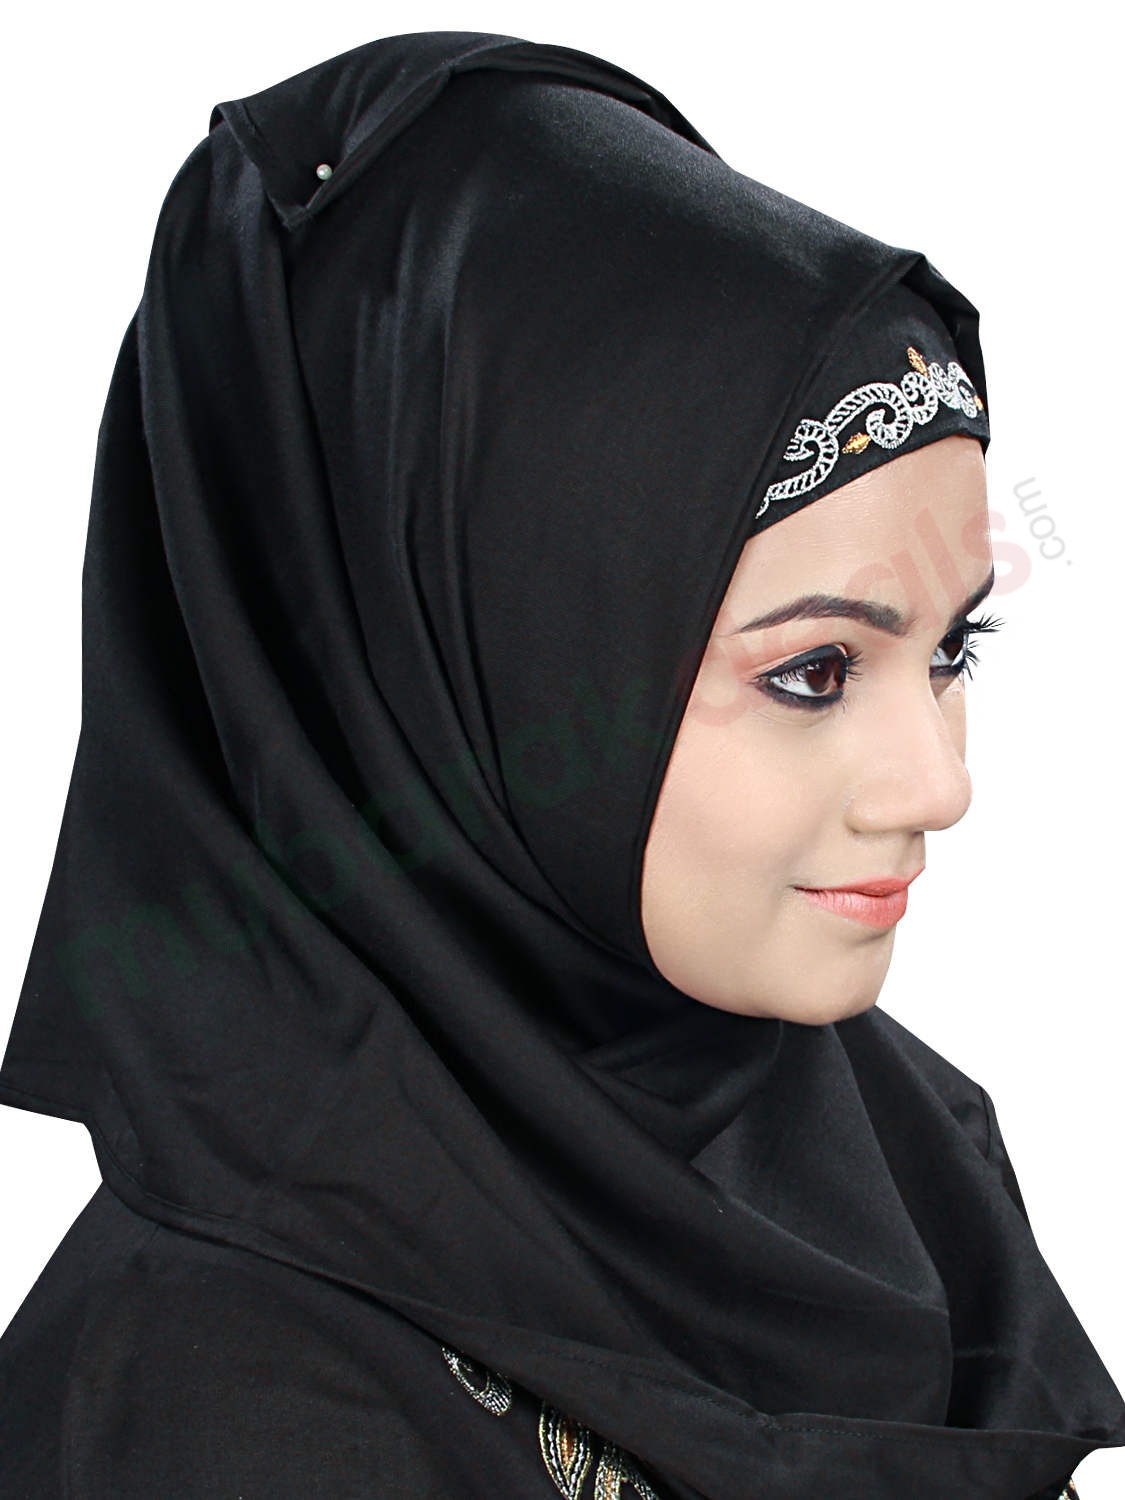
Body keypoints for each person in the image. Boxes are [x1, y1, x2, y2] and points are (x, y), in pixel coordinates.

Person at [0, 28, 1121, 1500]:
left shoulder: (901, 1155)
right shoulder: (211, 1405)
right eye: (812, 672)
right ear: (453, 672)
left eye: (952, 647)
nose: (938, 786)